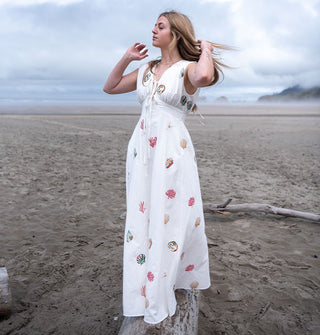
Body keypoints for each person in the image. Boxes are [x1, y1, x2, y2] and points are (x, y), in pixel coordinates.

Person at [103, 10, 234, 325]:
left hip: (171, 150)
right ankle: (143, 286)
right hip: (141, 150)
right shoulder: (147, 69)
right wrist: (126, 58)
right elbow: (111, 87)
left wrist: (206, 50)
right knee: (143, 214)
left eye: (160, 26)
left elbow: (204, 77)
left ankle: (167, 281)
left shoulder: (188, 69)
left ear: (175, 33)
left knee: (171, 213)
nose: (153, 30)